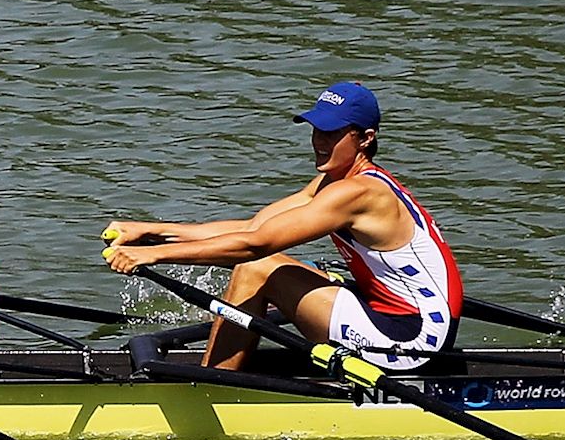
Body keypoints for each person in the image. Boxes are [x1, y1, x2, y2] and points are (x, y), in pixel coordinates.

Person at [101, 81, 461, 372]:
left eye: (332, 133)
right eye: (317, 130)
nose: (319, 141)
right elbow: (255, 226)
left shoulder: (359, 192)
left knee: (257, 267)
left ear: (365, 138)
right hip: (385, 311)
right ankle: (222, 369)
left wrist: (153, 256)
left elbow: (255, 246)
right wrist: (148, 231)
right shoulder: (334, 183)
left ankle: (212, 385)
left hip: (412, 339)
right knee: (265, 265)